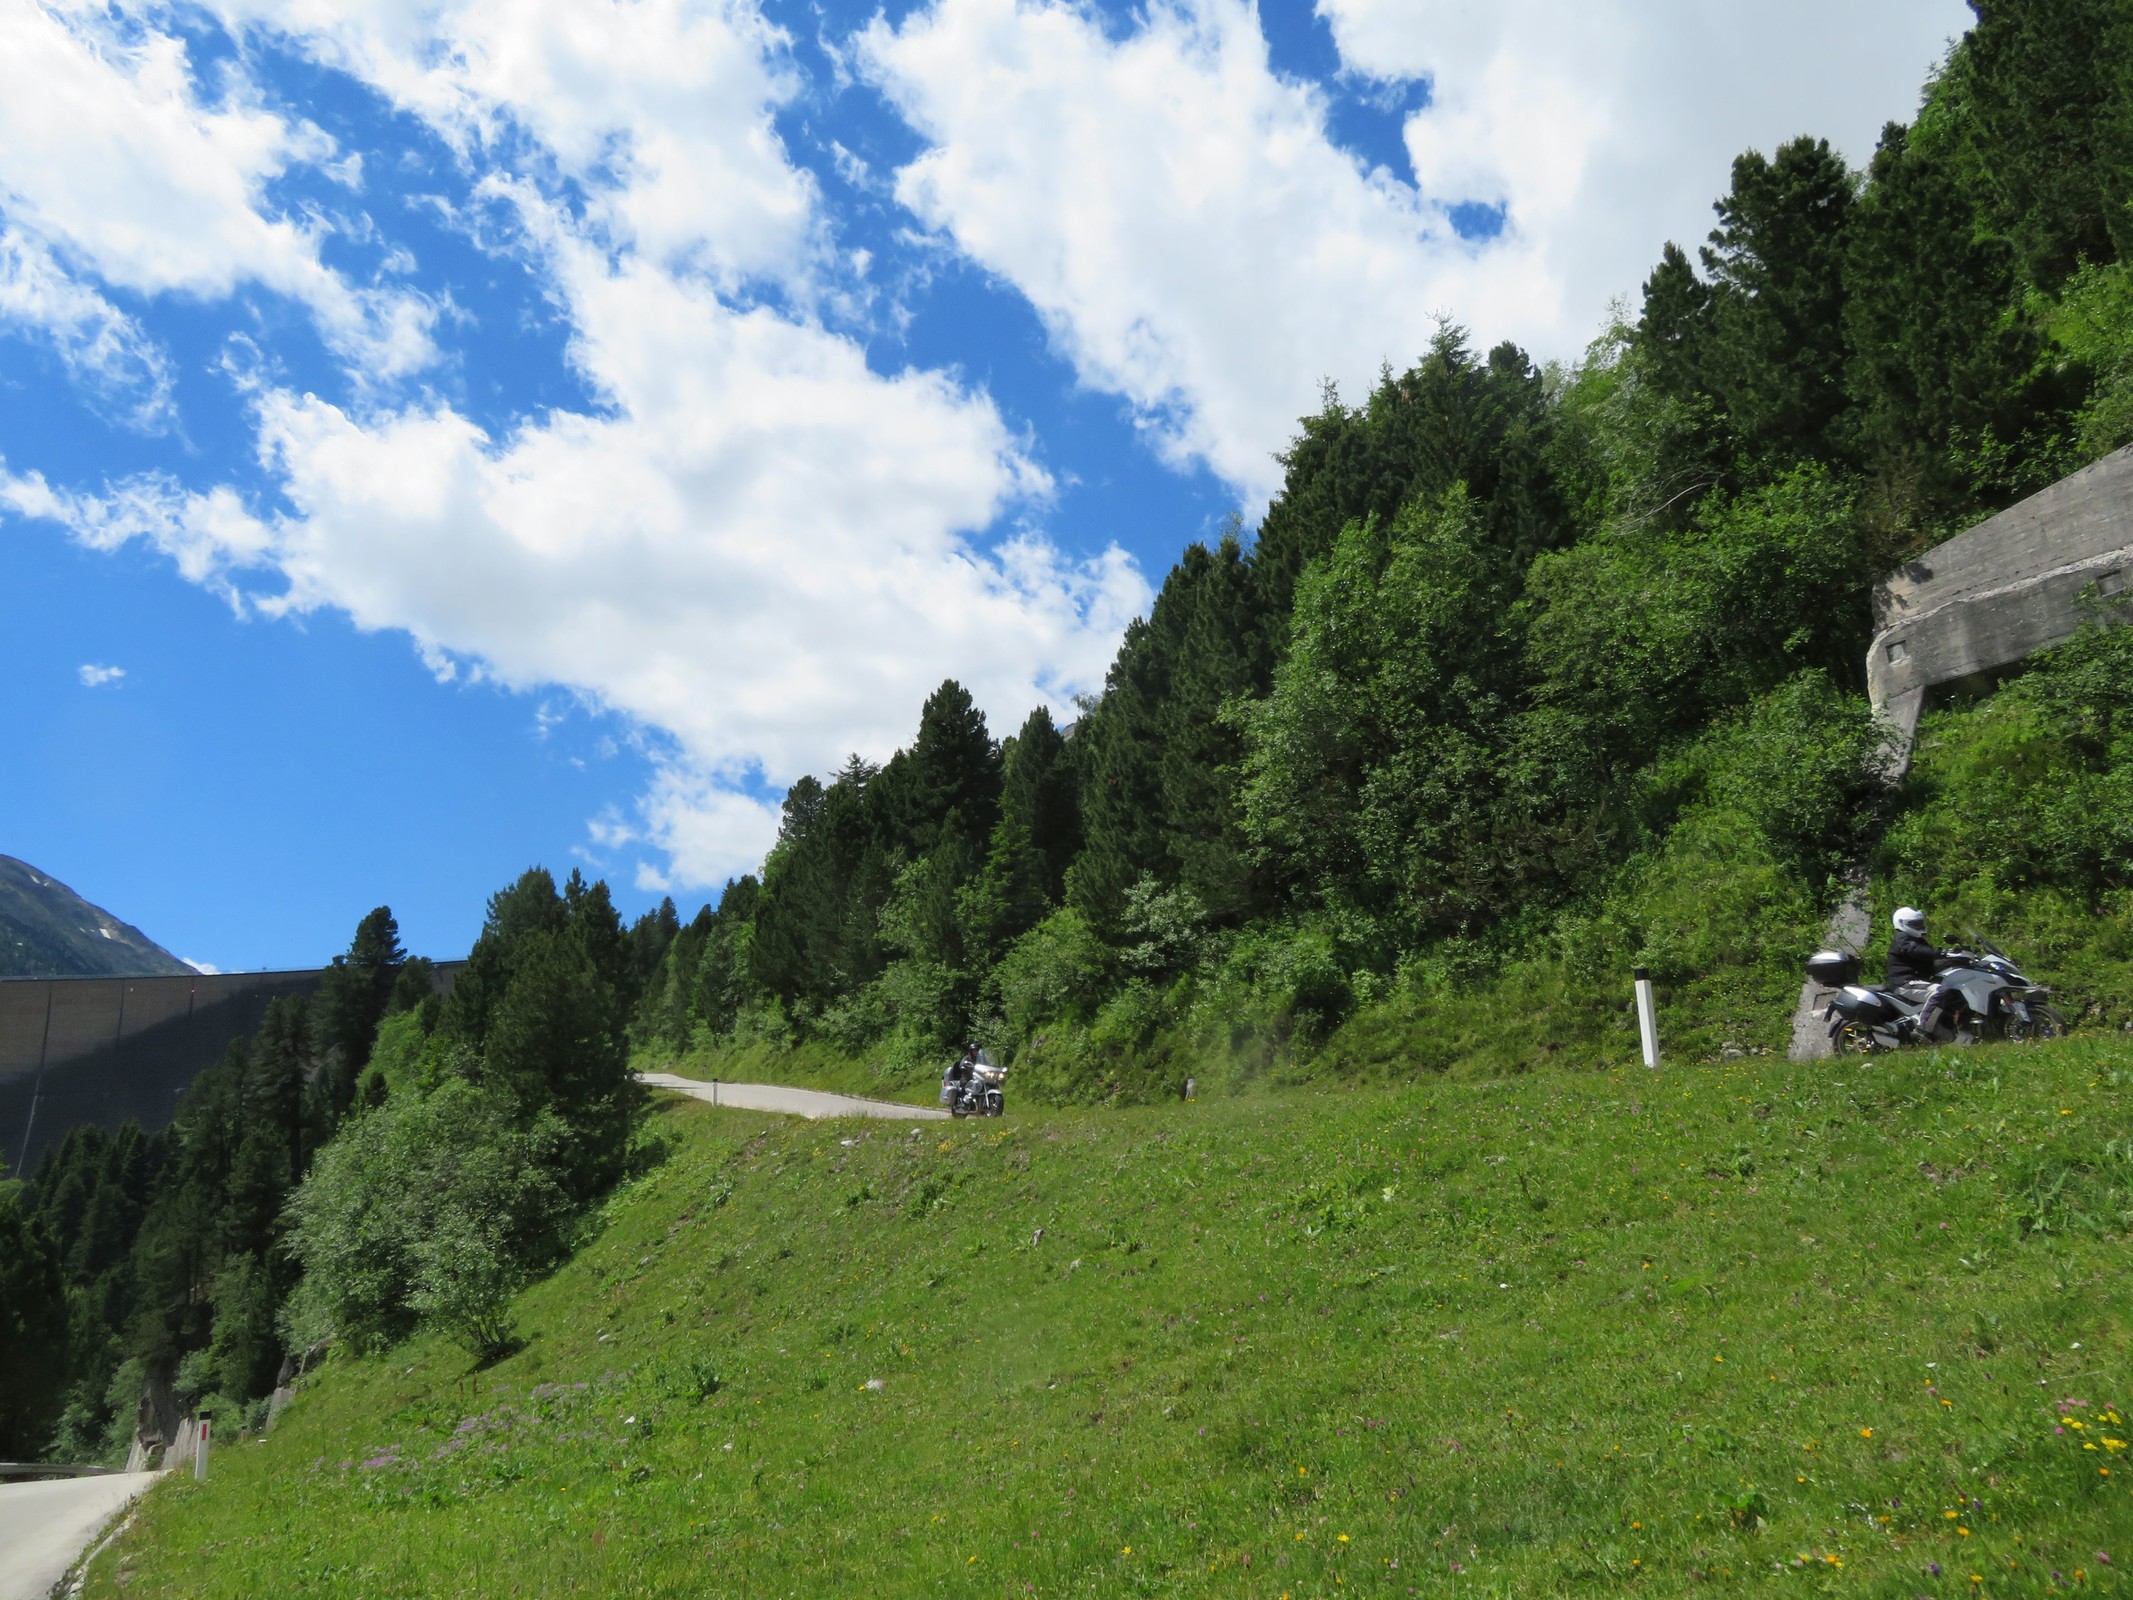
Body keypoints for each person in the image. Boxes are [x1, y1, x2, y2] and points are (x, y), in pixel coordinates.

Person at [1885, 907, 1947, 988]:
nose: (1920, 926)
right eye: (1915, 924)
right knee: (1941, 991)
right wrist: (1941, 952)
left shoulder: (1916, 939)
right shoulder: (1902, 938)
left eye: (1920, 923)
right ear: (1901, 923)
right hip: (1905, 982)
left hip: (1917, 980)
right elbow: (1915, 950)